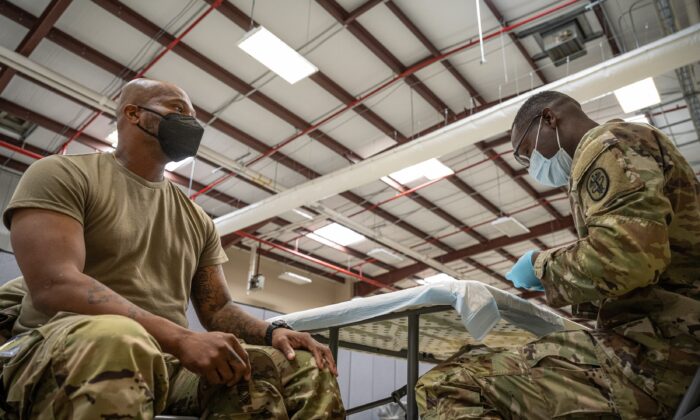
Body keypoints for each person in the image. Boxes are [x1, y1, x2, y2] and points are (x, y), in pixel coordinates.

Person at [0, 78, 345, 419]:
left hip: (164, 359)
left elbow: (219, 309)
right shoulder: (63, 174)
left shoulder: (196, 219)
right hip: (58, 347)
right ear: (134, 114)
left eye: (194, 116)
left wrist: (274, 332)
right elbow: (54, 284)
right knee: (119, 338)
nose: (191, 123)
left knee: (302, 366)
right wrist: (180, 338)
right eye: (178, 110)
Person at [415, 91, 700, 419]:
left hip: (654, 359)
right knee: (478, 356)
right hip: (666, 346)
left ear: (549, 119)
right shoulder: (626, 145)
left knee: (446, 384)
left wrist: (541, 268)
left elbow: (629, 259)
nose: (532, 166)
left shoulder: (605, 146)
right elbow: (646, 265)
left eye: (527, 153)